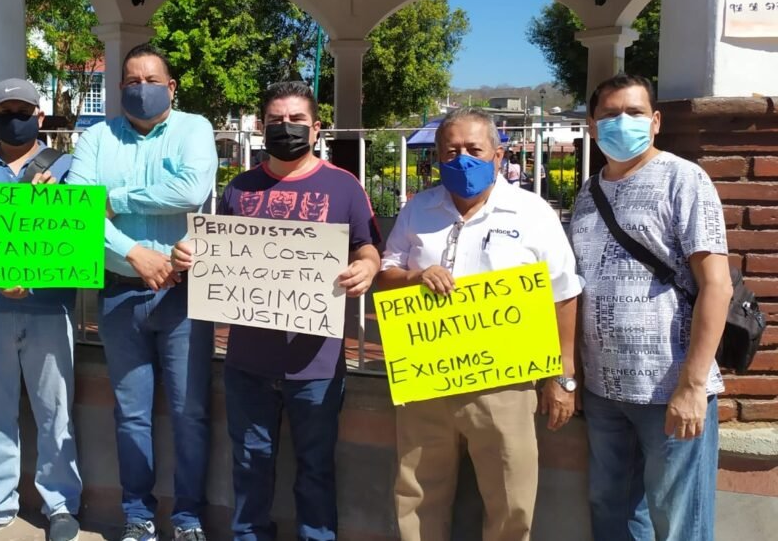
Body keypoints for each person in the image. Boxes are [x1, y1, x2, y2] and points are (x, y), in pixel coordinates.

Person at [172, 81, 382, 541]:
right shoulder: (240, 188)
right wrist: (190, 252)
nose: (285, 129)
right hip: (248, 362)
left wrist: (365, 269)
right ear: (261, 127)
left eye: (296, 121)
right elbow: (215, 249)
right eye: (275, 122)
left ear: (316, 127)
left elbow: (367, 247)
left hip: (318, 365)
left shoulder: (344, 185)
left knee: (315, 468)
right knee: (249, 464)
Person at [377, 107, 582, 541]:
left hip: (504, 384)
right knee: (416, 494)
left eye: (474, 149)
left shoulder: (532, 212)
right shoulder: (418, 210)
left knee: (511, 499)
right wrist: (415, 276)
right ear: (436, 156)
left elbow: (564, 293)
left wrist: (562, 378)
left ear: (498, 154)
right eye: (451, 151)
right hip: (427, 379)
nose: (462, 160)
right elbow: (385, 274)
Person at [65, 44, 218, 541]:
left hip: (183, 295)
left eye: (151, 79)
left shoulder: (195, 128)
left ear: (171, 87)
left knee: (189, 411)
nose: (141, 89)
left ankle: (189, 517)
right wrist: (135, 253)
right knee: (131, 414)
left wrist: (115, 197)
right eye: (131, 81)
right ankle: (138, 514)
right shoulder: (95, 136)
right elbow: (77, 211)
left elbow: (192, 190)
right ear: (118, 88)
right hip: (118, 291)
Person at [570, 74, 732, 541]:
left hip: (670, 388)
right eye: (610, 114)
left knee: (678, 518)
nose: (623, 122)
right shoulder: (588, 192)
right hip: (603, 391)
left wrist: (693, 385)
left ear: (656, 121)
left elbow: (715, 286)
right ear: (593, 127)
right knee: (611, 509)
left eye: (635, 112)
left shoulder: (684, 179)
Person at [0, 79, 81, 541]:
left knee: (55, 411)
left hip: (50, 307)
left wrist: (55, 205)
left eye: (23, 110)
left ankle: (61, 505)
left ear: (40, 117)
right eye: (5, 110)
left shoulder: (68, 167)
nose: (14, 118)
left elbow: (89, 227)